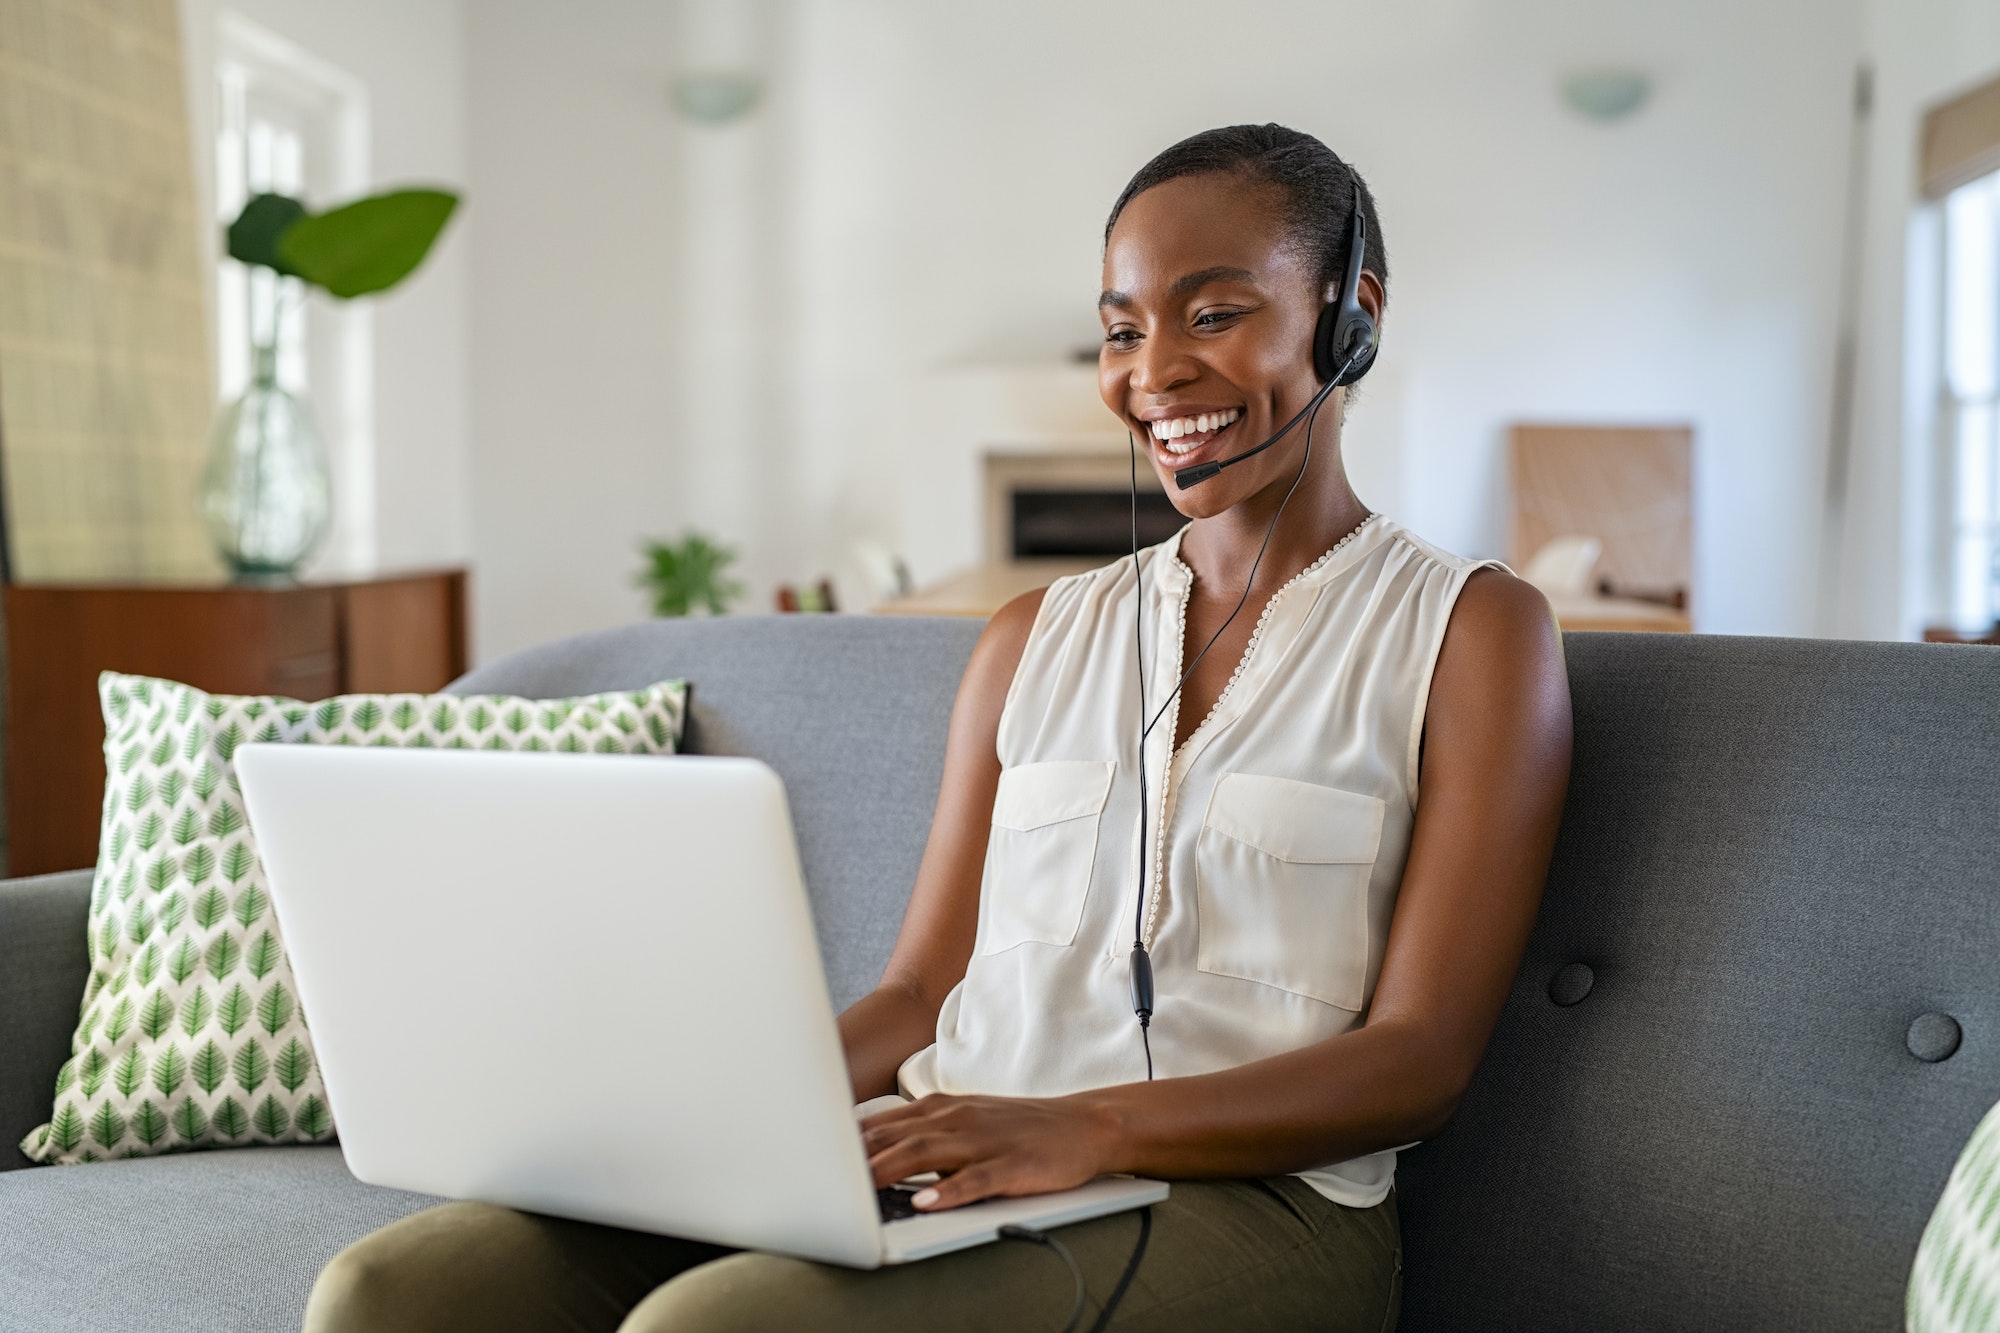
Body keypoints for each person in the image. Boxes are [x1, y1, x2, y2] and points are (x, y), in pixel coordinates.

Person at [303, 123, 1572, 1333]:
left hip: (1258, 1211)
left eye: (1214, 312)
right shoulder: (1028, 637)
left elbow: (1420, 1059)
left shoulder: (1470, 633)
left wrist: (1090, 1129)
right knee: (396, 1293)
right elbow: (919, 991)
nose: (1154, 371)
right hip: (957, 1151)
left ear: (1353, 313)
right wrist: (725, 1119)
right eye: (1120, 331)